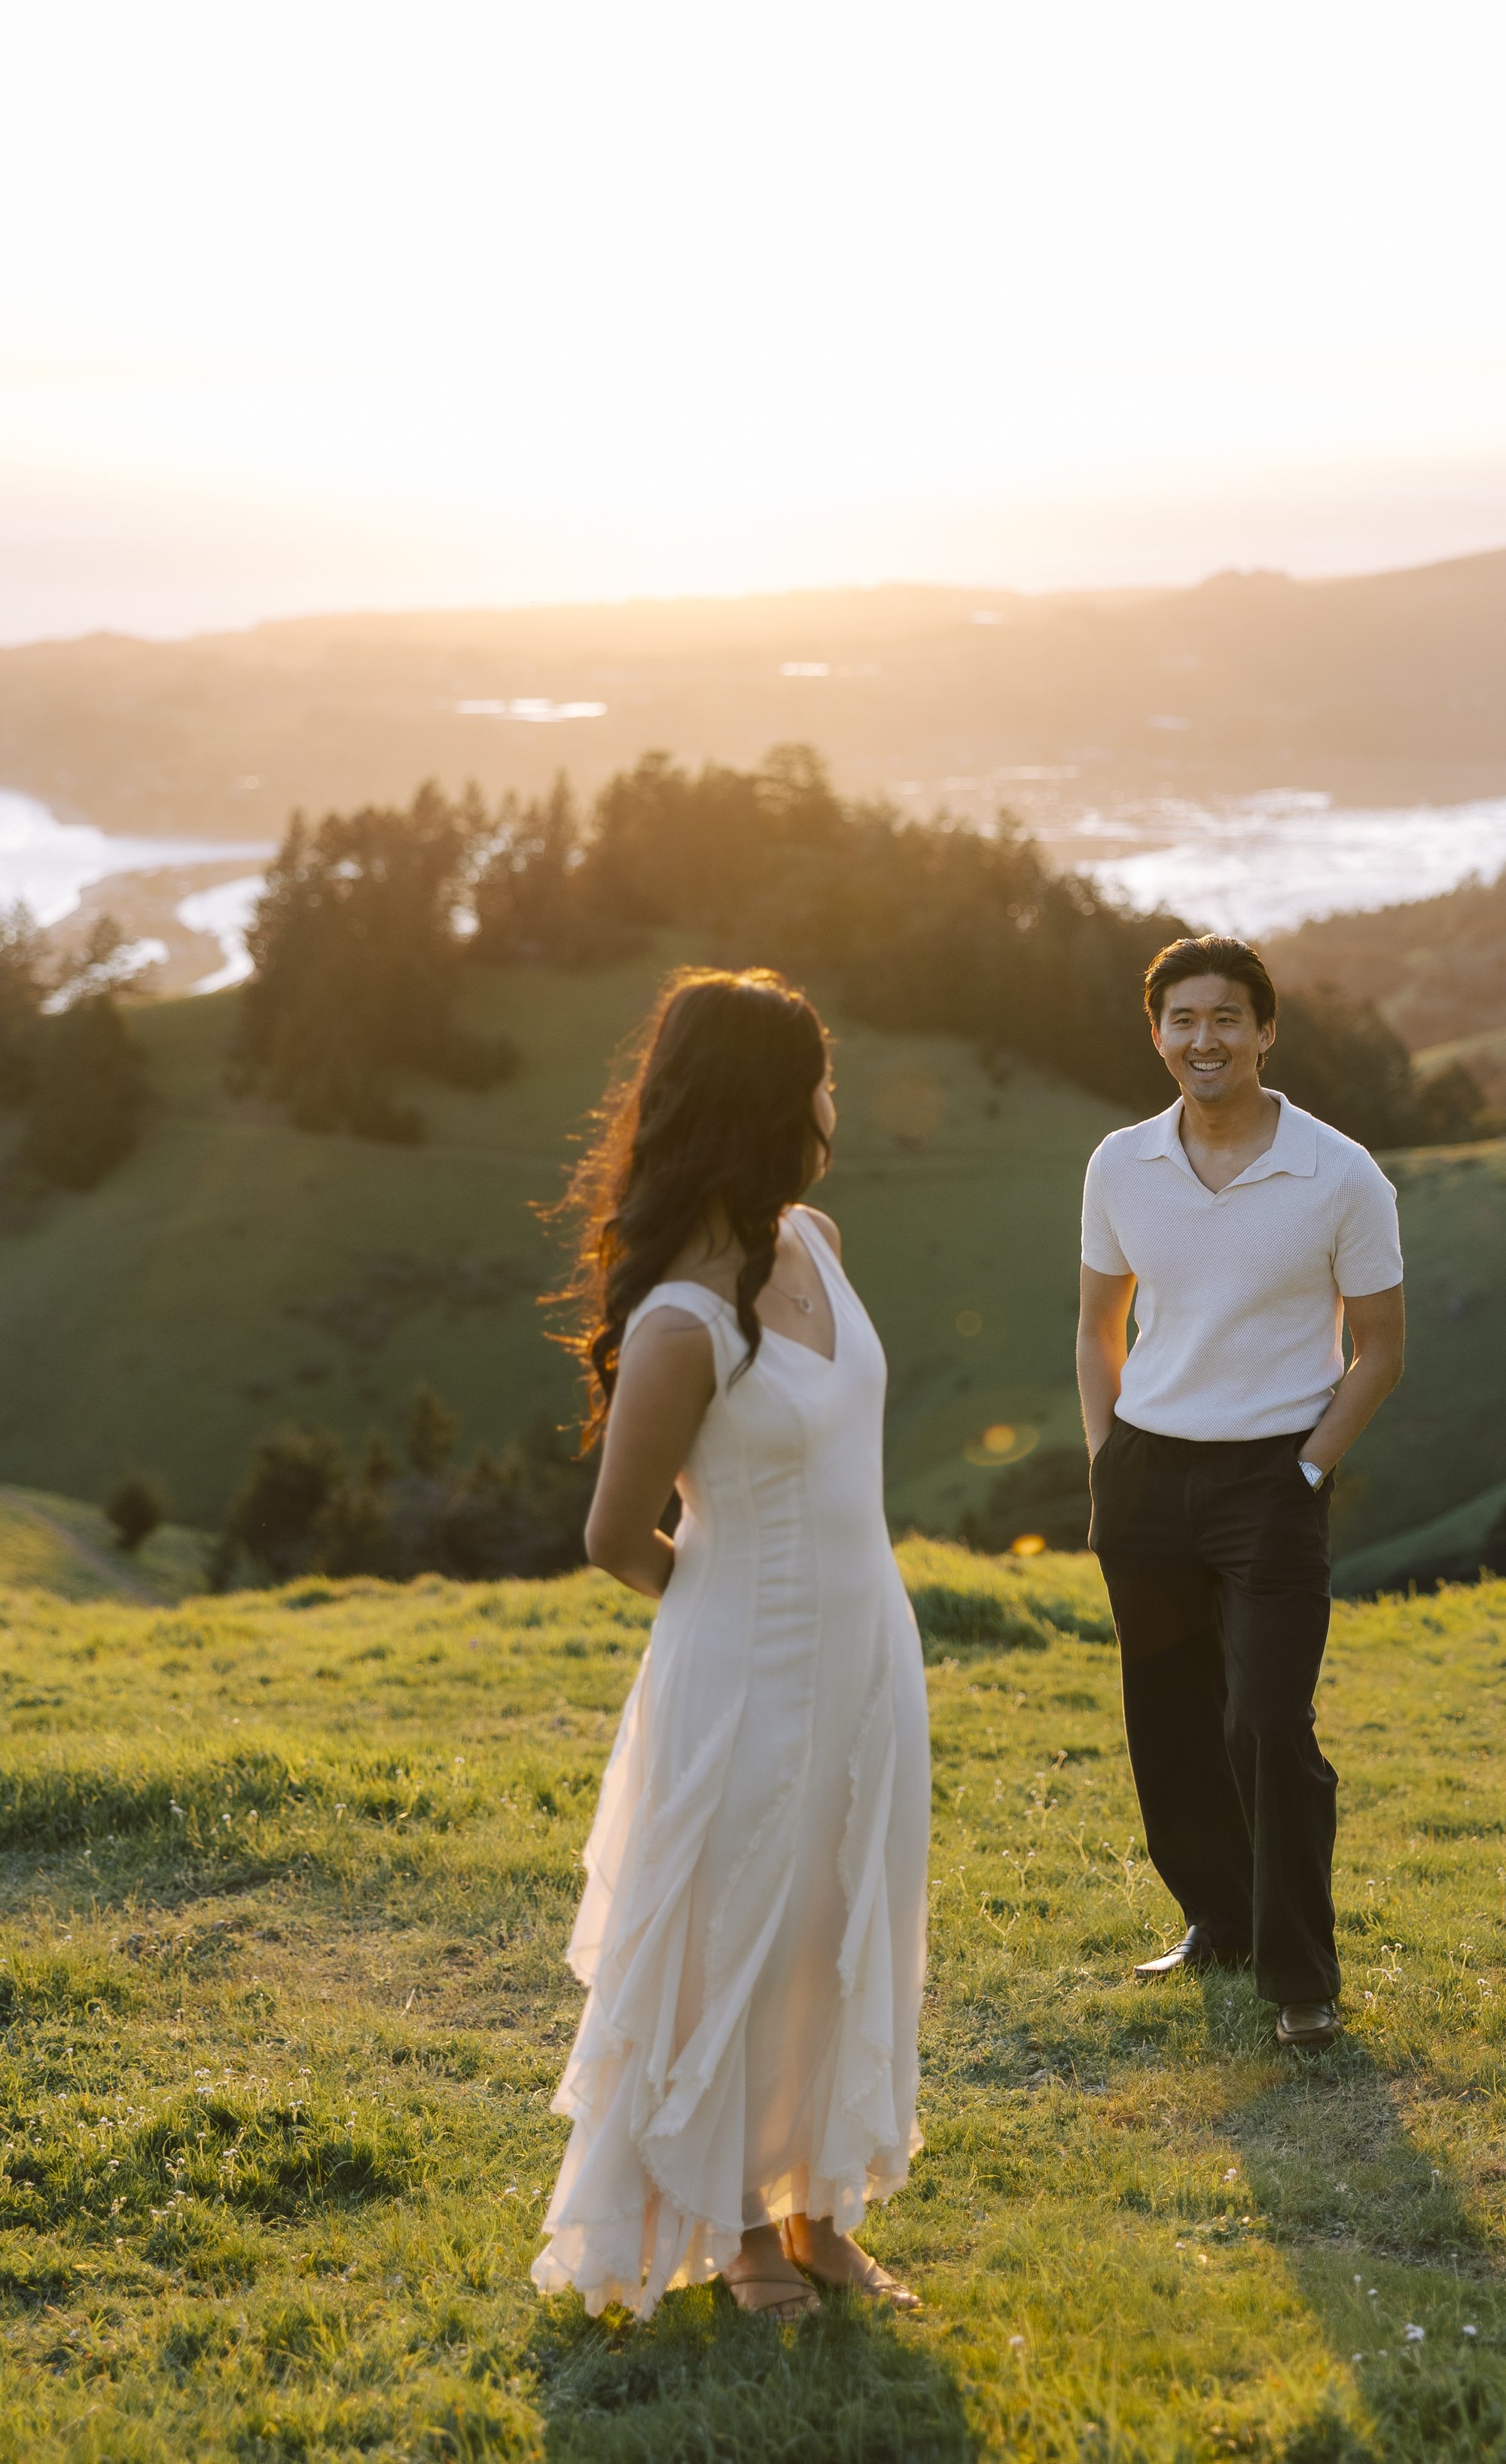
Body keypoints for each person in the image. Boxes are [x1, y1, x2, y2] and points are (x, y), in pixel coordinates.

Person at [532, 967, 928, 2321]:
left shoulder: (814, 1241)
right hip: (745, 1669)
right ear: (772, 1103)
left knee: (837, 1919)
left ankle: (818, 2209)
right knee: (744, 1929)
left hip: (869, 1646)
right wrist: (732, 1608)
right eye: (818, 1079)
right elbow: (615, 1533)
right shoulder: (680, 1323)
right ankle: (743, 2230)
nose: (833, 1102)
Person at [1076, 935, 1406, 2051]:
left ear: (1266, 1031)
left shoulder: (1341, 1172)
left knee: (1267, 1721)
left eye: (1226, 1017)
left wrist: (1308, 1467)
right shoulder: (1120, 1162)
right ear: (1157, 1033)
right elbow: (1096, 1320)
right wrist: (1104, 1452)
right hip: (1147, 1474)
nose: (1202, 1039)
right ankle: (1217, 1921)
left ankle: (1301, 1978)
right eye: (1181, 1018)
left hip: (1271, 1476)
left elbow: (1379, 1350)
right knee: (1168, 1723)